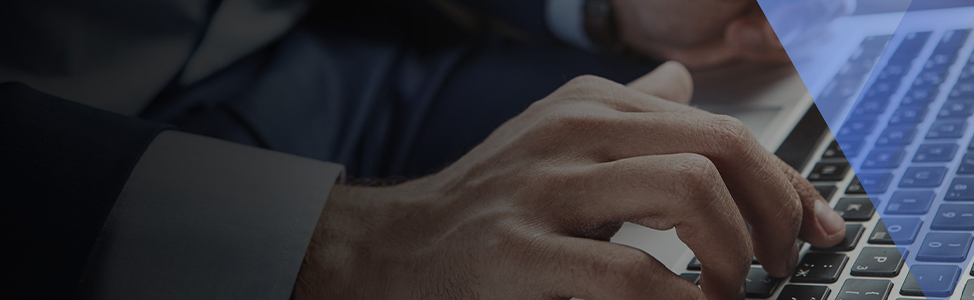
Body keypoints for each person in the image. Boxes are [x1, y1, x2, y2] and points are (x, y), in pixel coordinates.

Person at [1, 0, 850, 299]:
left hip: (363, 59)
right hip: (77, 187)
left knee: (778, 124)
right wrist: (344, 244)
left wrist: (607, 5)